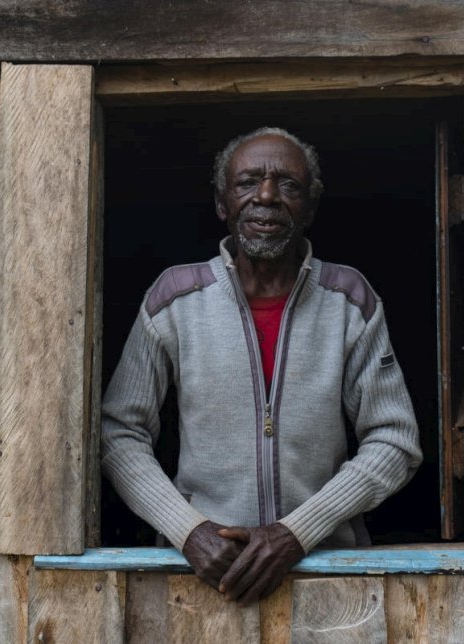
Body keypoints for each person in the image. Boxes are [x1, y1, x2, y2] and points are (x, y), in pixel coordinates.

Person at [100, 127, 421, 604]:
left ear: (310, 208)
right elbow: (118, 433)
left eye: (288, 185)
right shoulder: (175, 299)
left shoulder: (349, 300)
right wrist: (188, 531)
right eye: (248, 182)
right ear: (221, 203)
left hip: (327, 573)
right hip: (198, 576)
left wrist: (297, 533)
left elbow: (395, 441)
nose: (266, 196)